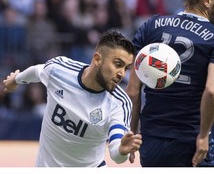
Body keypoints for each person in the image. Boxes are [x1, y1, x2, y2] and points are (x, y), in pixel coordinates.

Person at [126, 0, 214, 167]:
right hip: (190, 141)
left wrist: (132, 132)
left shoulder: (151, 26)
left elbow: (132, 91)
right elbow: (212, 90)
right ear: (208, 0)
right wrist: (203, 135)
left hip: (151, 142)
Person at [3, 30, 142, 167]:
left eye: (126, 68)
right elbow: (37, 71)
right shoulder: (59, 71)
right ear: (97, 59)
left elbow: (116, 152)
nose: (122, 74)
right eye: (118, 64)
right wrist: (16, 80)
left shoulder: (120, 103)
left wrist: (122, 151)